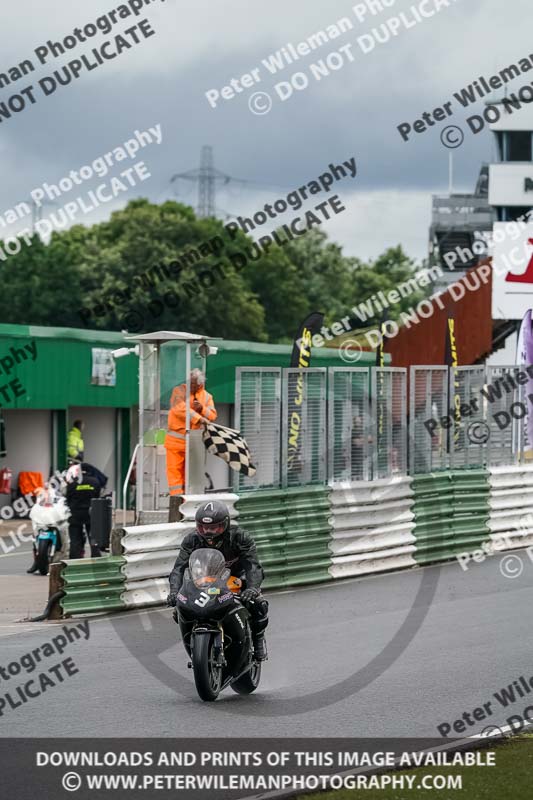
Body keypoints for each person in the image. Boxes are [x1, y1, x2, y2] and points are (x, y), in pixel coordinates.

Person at [167, 499, 269, 661]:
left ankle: (257, 640)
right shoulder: (191, 540)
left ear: (225, 524)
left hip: (236, 578)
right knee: (180, 607)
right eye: (203, 527)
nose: (208, 532)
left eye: (214, 527)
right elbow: (178, 568)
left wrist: (252, 588)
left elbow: (253, 566)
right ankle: (193, 641)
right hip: (205, 578)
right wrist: (174, 591)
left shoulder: (240, 537)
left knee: (258, 604)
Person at [164, 368, 217, 497]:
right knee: (175, 474)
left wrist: (202, 409)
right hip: (175, 441)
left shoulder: (207, 396)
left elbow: (213, 415)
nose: (191, 386)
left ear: (200, 384)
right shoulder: (178, 391)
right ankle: (177, 501)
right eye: (190, 382)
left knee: (193, 476)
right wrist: (198, 418)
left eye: (194, 384)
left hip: (194, 442)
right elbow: (179, 409)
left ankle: (191, 501)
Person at [66, 464, 103, 559]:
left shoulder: (72, 483)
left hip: (76, 513)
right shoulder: (95, 482)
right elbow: (97, 497)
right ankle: (96, 556)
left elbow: (68, 498)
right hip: (91, 513)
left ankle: (74, 558)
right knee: (93, 536)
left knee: (75, 538)